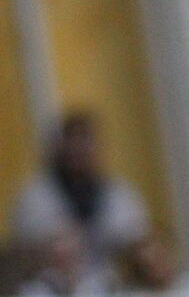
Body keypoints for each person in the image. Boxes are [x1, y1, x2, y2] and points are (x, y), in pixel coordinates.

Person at [10, 112, 149, 278]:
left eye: (85, 141)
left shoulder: (120, 194)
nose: (78, 150)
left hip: (113, 285)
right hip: (52, 286)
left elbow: (137, 242)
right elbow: (24, 251)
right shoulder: (35, 196)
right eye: (72, 142)